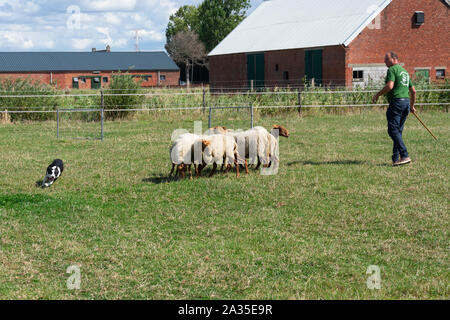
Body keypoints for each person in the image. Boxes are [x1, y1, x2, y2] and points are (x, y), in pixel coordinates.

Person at [373, 51, 416, 166]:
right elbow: (413, 91)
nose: (384, 61)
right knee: (398, 131)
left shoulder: (392, 70)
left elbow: (390, 86)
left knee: (392, 130)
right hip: (406, 103)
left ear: (394, 59)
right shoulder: (405, 72)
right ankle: (396, 159)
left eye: (386, 59)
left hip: (396, 103)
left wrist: (377, 94)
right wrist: (411, 106)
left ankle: (405, 155)